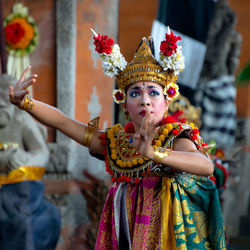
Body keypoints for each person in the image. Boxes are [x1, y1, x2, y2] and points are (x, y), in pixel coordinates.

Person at [9, 27, 226, 249]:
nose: (144, 100)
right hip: (125, 235)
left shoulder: (174, 137)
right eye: (135, 93)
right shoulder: (116, 143)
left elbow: (205, 165)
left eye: (153, 92)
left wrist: (153, 153)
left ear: (167, 101)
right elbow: (63, 122)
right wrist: (25, 103)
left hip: (165, 238)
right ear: (124, 105)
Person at [0, 74, 61, 250]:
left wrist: (23, 161)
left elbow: (41, 154)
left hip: (18, 191)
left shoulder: (22, 120)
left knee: (23, 224)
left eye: (4, 100)